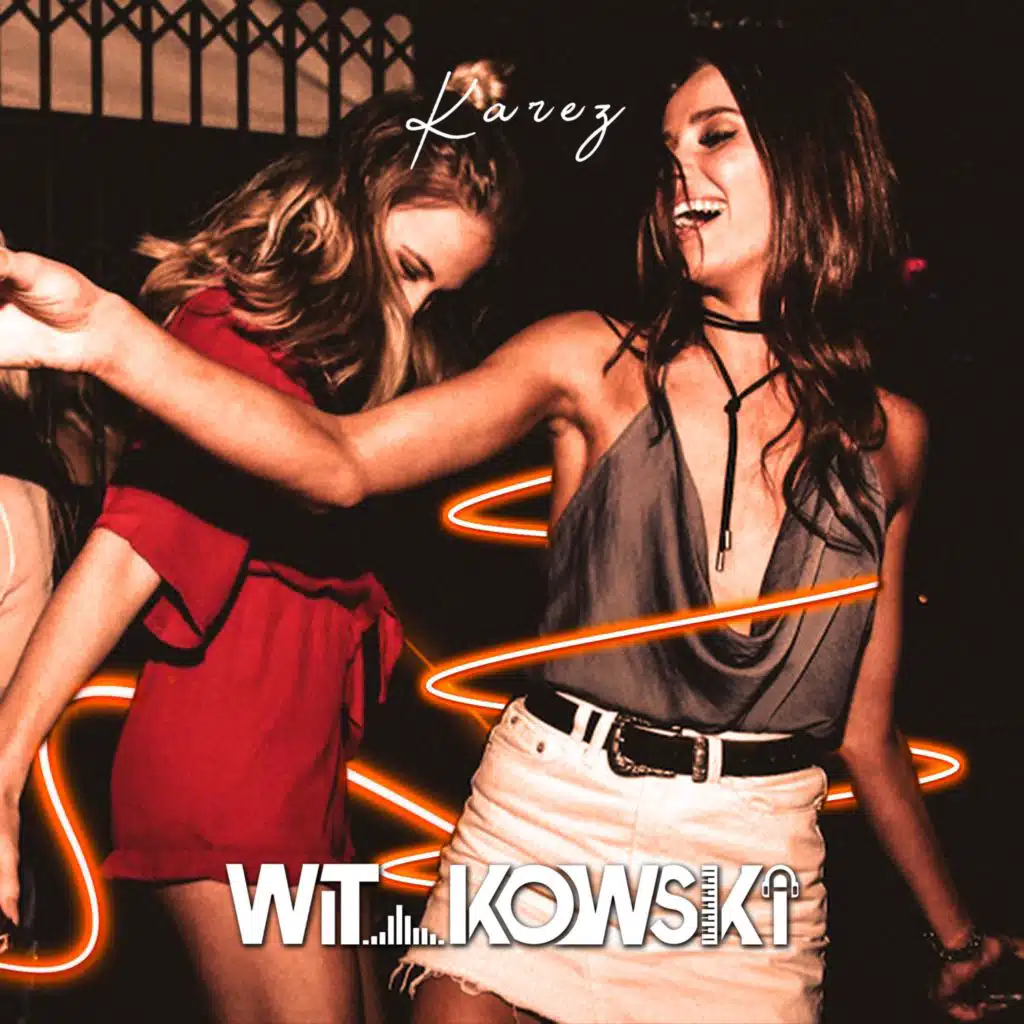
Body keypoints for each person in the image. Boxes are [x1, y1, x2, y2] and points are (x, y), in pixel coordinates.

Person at [0, 37, 1013, 1024]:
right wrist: (105, 334)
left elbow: (865, 730)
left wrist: (956, 939)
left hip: (742, 871)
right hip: (544, 816)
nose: (679, 175)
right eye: (669, 152)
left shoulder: (891, 440)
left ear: (812, 159)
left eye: (715, 137)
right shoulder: (587, 360)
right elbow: (335, 461)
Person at [0, 65, 519, 1024]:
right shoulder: (233, 331)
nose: (414, 313)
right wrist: (4, 759)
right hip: (230, 762)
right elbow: (132, 545)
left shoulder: (322, 366)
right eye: (410, 270)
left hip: (298, 769)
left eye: (442, 294)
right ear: (354, 205)